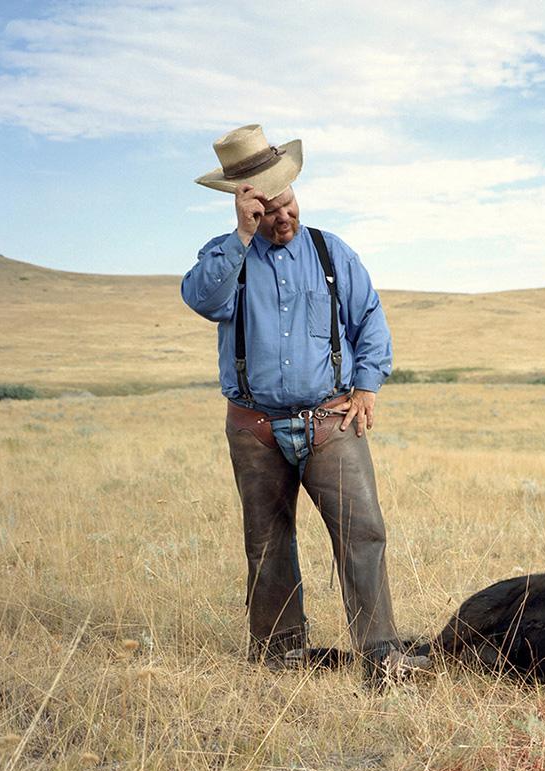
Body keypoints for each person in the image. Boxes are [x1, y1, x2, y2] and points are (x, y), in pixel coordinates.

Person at [182, 124, 426, 682]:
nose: (282, 216)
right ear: (246, 210)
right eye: (267, 210)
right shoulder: (225, 258)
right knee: (267, 542)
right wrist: (239, 239)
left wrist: (367, 385)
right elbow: (202, 299)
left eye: (286, 201)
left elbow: (370, 319)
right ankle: (279, 656)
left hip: (329, 421)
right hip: (255, 427)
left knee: (362, 532)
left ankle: (379, 655)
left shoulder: (330, 251)